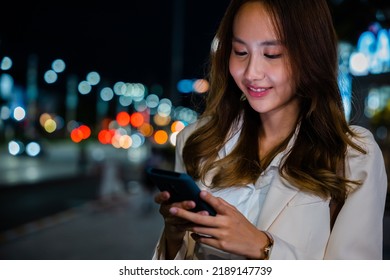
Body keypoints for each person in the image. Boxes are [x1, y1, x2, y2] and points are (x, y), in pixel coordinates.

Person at [153, 0, 388, 260]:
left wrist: (263, 248)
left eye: (272, 54)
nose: (251, 73)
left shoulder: (354, 156)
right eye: (240, 52)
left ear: (311, 55)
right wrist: (173, 239)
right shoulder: (197, 141)